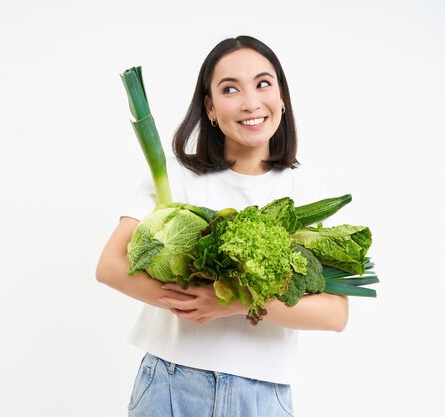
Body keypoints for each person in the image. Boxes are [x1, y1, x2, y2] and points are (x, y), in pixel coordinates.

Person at [96, 35, 348, 417]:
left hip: (261, 397)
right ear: (210, 108)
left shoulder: (306, 193)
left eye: (263, 84)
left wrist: (233, 301)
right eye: (231, 89)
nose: (250, 102)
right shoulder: (173, 176)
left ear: (282, 97)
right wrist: (192, 302)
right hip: (169, 384)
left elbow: (335, 313)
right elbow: (111, 267)